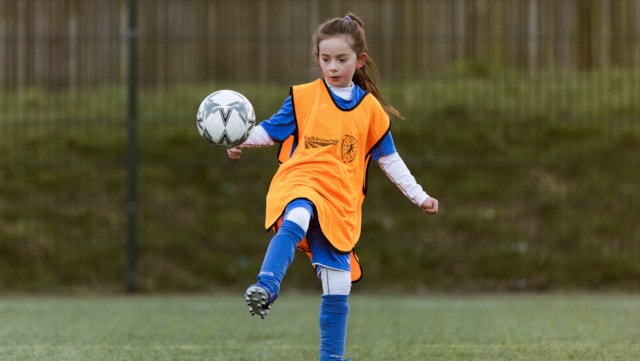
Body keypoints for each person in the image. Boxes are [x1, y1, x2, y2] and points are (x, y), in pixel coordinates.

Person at [227, 12, 438, 361]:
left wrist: (420, 195)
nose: (333, 66)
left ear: (360, 61)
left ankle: (332, 358)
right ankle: (266, 285)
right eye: (326, 59)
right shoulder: (304, 97)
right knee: (297, 213)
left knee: (338, 284)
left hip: (340, 201)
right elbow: (270, 130)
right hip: (301, 179)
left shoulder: (370, 111)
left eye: (341, 59)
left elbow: (389, 159)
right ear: (317, 59)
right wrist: (241, 139)